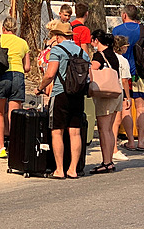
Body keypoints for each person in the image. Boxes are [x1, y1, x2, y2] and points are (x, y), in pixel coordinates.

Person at [34, 22, 90, 179]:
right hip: (77, 95)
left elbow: (50, 74)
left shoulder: (57, 50)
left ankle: (59, 169)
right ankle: (73, 169)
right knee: (75, 132)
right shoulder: (82, 52)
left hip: (60, 94)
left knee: (57, 131)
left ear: (57, 36)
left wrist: (40, 88)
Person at [0, 16, 31, 158]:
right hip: (18, 76)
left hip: (3, 76)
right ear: (15, 29)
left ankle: (1, 146)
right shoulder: (23, 43)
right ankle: (15, 147)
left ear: (3, 28)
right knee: (14, 115)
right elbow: (27, 67)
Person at [112, 4, 144, 152]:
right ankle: (141, 141)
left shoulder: (117, 30)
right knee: (141, 106)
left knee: (126, 107)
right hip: (139, 73)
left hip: (122, 73)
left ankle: (130, 141)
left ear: (124, 15)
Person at [89, 30, 123, 174]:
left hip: (105, 95)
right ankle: (109, 161)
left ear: (97, 40)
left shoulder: (99, 55)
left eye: (92, 40)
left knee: (104, 129)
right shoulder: (113, 54)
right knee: (109, 129)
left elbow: (92, 70)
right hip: (117, 93)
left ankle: (106, 161)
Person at [112, 35, 132, 161]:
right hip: (118, 91)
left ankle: (111, 147)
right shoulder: (123, 61)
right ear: (122, 47)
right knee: (116, 121)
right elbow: (124, 80)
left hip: (108, 90)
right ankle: (114, 149)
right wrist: (128, 97)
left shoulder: (108, 57)